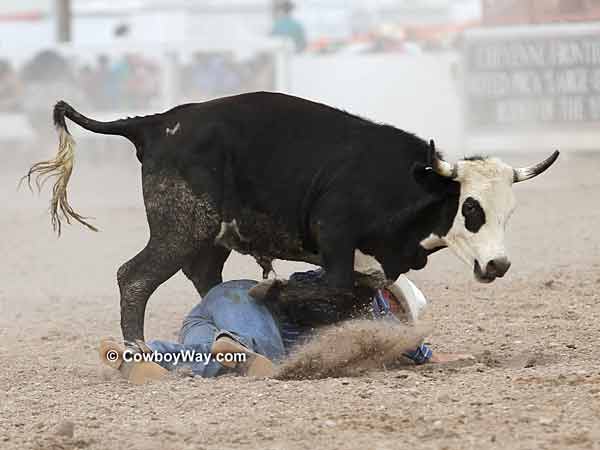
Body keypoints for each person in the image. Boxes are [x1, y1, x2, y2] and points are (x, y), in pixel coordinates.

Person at [100, 271, 472, 384]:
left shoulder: (338, 278)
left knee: (208, 355)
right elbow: (423, 352)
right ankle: (230, 343)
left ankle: (138, 355)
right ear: (395, 300)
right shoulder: (377, 304)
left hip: (223, 301)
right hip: (249, 315)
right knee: (265, 358)